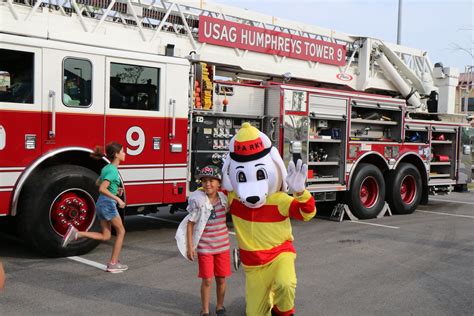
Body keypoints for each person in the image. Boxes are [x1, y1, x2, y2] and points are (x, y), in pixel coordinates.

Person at [62, 141, 128, 273]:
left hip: (101, 203)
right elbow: (103, 188)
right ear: (116, 154)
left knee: (106, 236)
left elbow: (99, 182)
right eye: (122, 151)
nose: (124, 153)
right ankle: (113, 263)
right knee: (121, 232)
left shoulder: (106, 168)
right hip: (108, 203)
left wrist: (116, 189)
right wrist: (117, 198)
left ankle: (77, 233)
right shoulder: (113, 171)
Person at [176, 165, 231, 316]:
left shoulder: (224, 200)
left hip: (222, 247)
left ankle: (220, 306)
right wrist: (190, 247)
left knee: (221, 279)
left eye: (212, 180)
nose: (208, 184)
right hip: (205, 248)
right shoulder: (198, 202)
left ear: (219, 183)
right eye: (204, 181)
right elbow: (190, 224)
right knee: (207, 280)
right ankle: (205, 310)